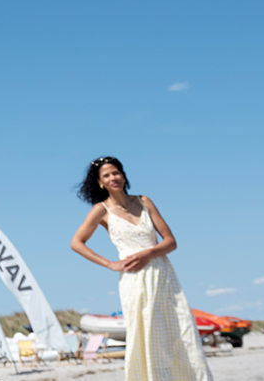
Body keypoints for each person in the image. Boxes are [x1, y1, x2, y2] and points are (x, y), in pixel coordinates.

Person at [69, 156, 213, 381]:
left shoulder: (144, 201)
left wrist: (149, 253)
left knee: (180, 327)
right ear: (100, 183)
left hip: (163, 274)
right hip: (134, 278)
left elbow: (170, 241)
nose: (112, 178)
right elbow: (76, 243)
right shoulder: (101, 210)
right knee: (145, 332)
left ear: (123, 175)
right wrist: (109, 264)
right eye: (106, 175)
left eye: (115, 172)